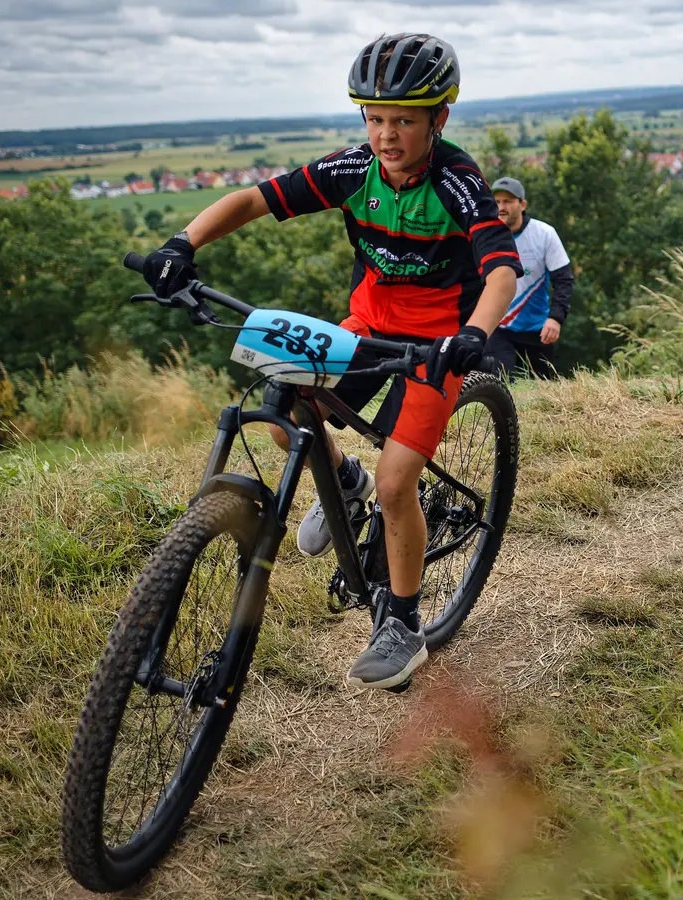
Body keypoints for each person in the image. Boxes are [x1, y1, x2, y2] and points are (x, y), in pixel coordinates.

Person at [137, 33, 521, 691]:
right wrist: (183, 242)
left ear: (439, 119)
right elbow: (255, 199)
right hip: (368, 326)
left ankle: (400, 622)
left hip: (435, 343)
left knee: (398, 481)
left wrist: (476, 333)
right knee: (282, 404)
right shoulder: (352, 170)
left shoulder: (457, 183)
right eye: (374, 118)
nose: (386, 134)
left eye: (403, 119)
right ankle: (343, 482)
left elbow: (501, 269)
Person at [484, 176, 574, 379]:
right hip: (498, 325)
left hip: (537, 328)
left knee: (545, 388)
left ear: (522, 204)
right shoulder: (485, 236)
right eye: (497, 202)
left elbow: (564, 280)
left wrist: (555, 318)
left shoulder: (544, 234)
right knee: (500, 382)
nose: (501, 207)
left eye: (508, 201)